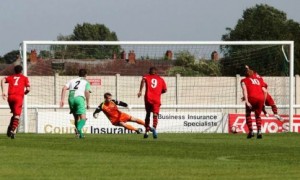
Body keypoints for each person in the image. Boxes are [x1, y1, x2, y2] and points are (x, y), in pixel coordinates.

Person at [1, 65, 30, 139]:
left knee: (14, 114)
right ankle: (13, 130)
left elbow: (2, 80)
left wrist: (3, 91)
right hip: (18, 97)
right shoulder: (24, 78)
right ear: (22, 71)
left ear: (14, 71)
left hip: (10, 97)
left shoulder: (11, 77)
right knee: (17, 115)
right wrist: (24, 93)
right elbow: (28, 89)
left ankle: (10, 128)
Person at [60, 69, 91, 138]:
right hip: (79, 99)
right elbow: (87, 92)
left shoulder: (72, 80)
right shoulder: (86, 82)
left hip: (71, 98)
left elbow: (64, 88)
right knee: (83, 118)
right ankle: (78, 129)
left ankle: (79, 135)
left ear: (78, 74)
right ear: (86, 75)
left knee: (76, 118)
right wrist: (88, 103)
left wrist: (62, 100)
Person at [138, 67, 167, 139]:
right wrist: (158, 93)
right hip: (156, 99)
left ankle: (147, 130)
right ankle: (154, 129)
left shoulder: (146, 76)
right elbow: (165, 90)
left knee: (148, 114)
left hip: (148, 98)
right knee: (155, 115)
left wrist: (140, 91)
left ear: (149, 71)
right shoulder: (161, 79)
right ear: (156, 72)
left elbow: (143, 80)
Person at [241, 67, 267, 139]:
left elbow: (244, 90)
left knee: (248, 114)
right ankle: (259, 131)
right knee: (258, 115)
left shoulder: (244, 80)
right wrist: (263, 102)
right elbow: (265, 91)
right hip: (261, 99)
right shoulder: (259, 80)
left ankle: (251, 131)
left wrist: (247, 101)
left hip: (251, 98)